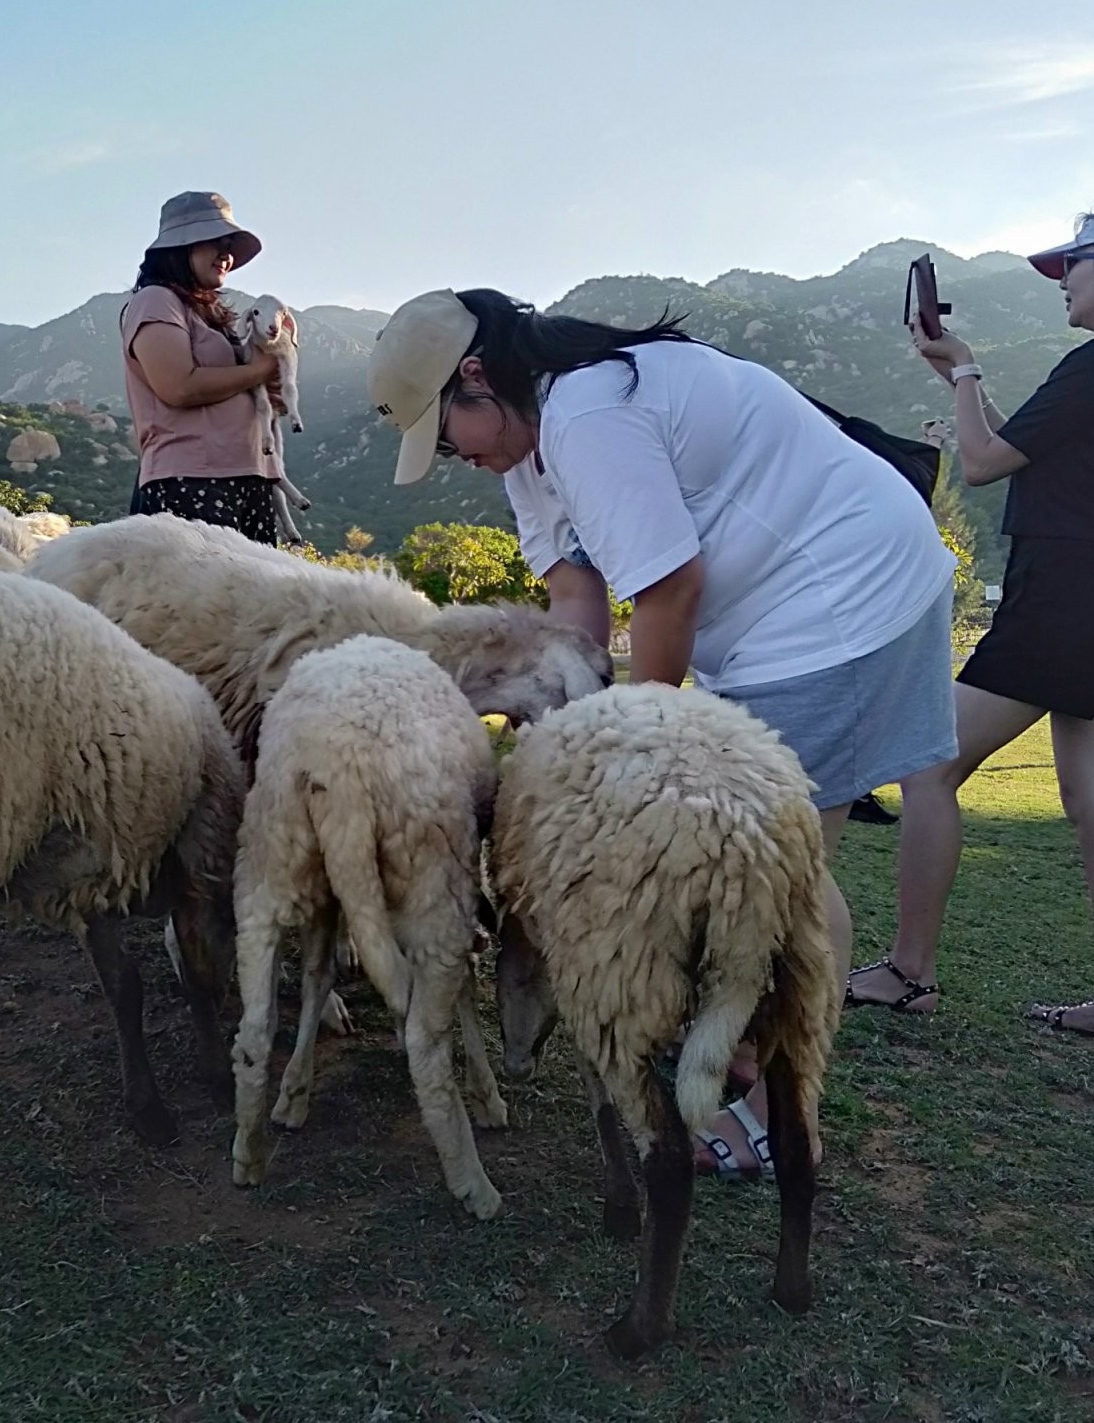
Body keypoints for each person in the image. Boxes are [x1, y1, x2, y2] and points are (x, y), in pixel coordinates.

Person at [368, 287, 958, 1180]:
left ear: (477, 379)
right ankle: (752, 1047)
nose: (460, 460)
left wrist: (639, 741)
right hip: (773, 610)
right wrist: (573, 725)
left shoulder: (588, 417)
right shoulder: (530, 448)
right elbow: (576, 597)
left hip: (838, 598)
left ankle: (783, 1112)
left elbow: (668, 589)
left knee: (781, 871)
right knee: (741, 855)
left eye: (450, 438)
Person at [849, 202, 1094, 1051]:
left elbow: (982, 466)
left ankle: (911, 970)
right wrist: (964, 371)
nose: (1065, 285)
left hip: (1065, 595)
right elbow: (1009, 448)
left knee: (926, 764)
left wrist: (963, 375)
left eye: (1075, 267)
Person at [119, 191, 286, 545]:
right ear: (180, 248)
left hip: (244, 477)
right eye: (215, 242)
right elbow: (178, 385)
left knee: (246, 599)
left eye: (230, 245)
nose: (226, 254)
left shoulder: (206, 314)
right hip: (192, 479)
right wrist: (261, 370)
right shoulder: (156, 300)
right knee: (200, 600)